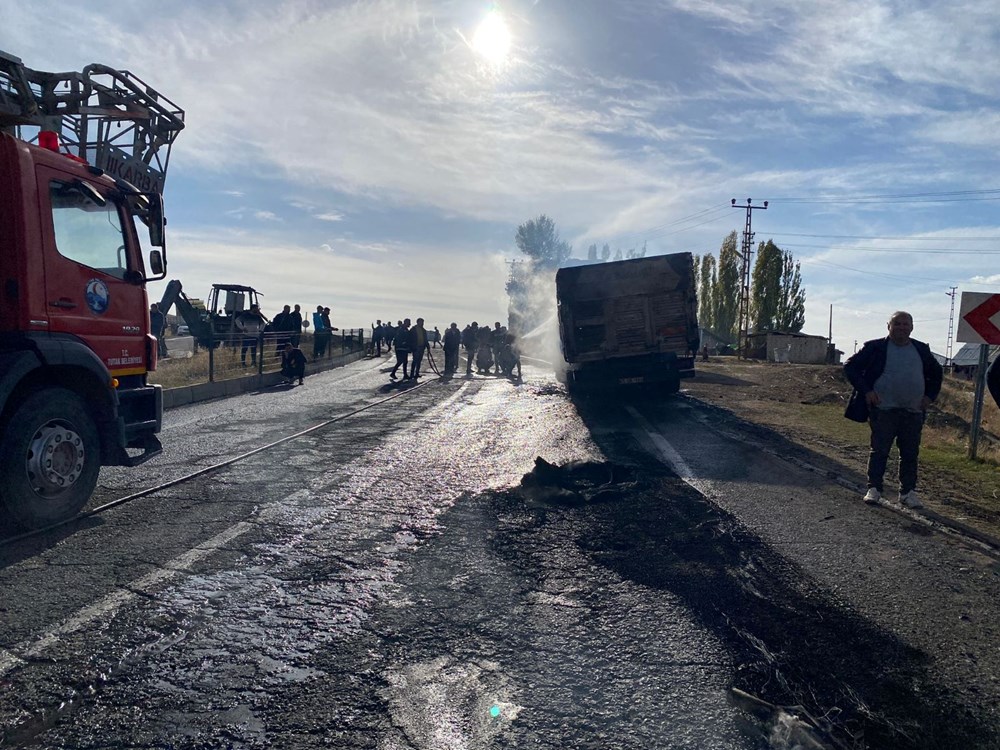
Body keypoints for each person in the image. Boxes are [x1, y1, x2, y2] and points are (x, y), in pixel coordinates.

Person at [843, 311, 943, 509]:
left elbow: (937, 374)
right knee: (879, 451)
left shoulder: (921, 349)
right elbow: (850, 367)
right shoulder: (875, 348)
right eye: (897, 323)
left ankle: (907, 492)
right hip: (883, 410)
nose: (902, 327)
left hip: (913, 412)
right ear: (888, 326)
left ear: (912, 327)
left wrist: (929, 397)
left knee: (909, 454)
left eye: (906, 324)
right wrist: (867, 391)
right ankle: (874, 489)